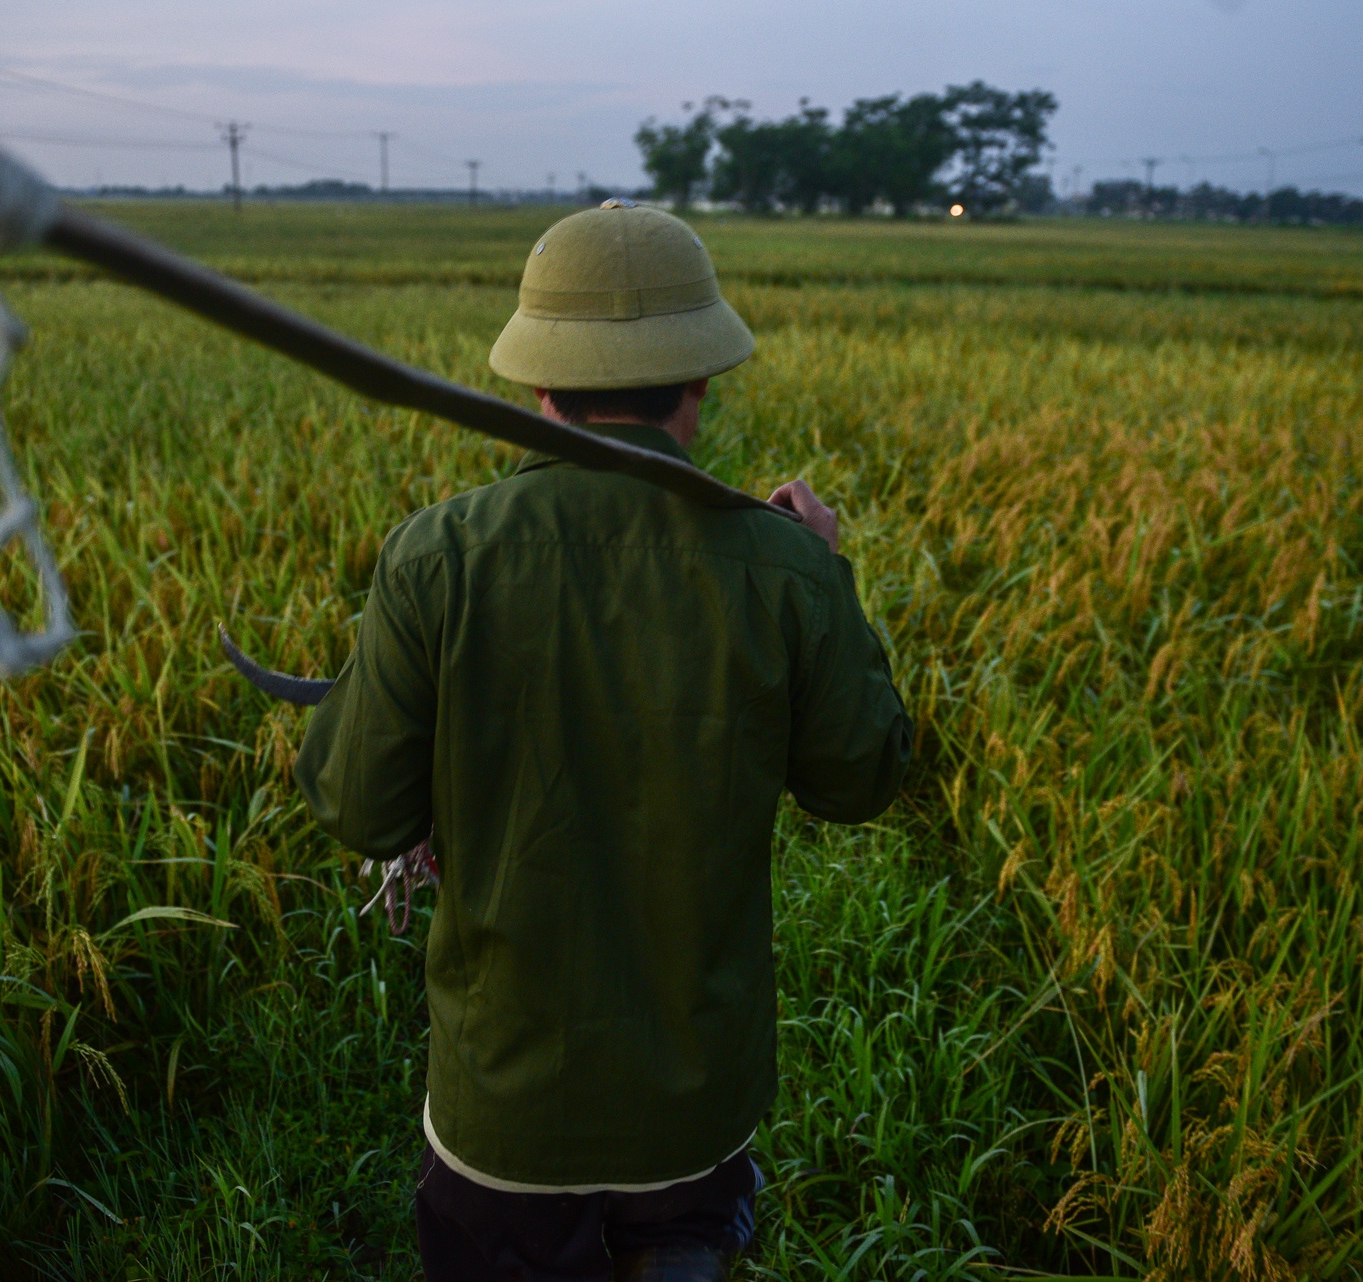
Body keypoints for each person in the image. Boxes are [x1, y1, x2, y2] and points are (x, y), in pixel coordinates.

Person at [294, 199, 911, 1281]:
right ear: (699, 385)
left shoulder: (439, 554)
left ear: (540, 387)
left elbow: (360, 807)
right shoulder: (781, 566)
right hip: (690, 1109)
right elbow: (858, 780)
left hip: (503, 1108)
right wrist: (825, 570)